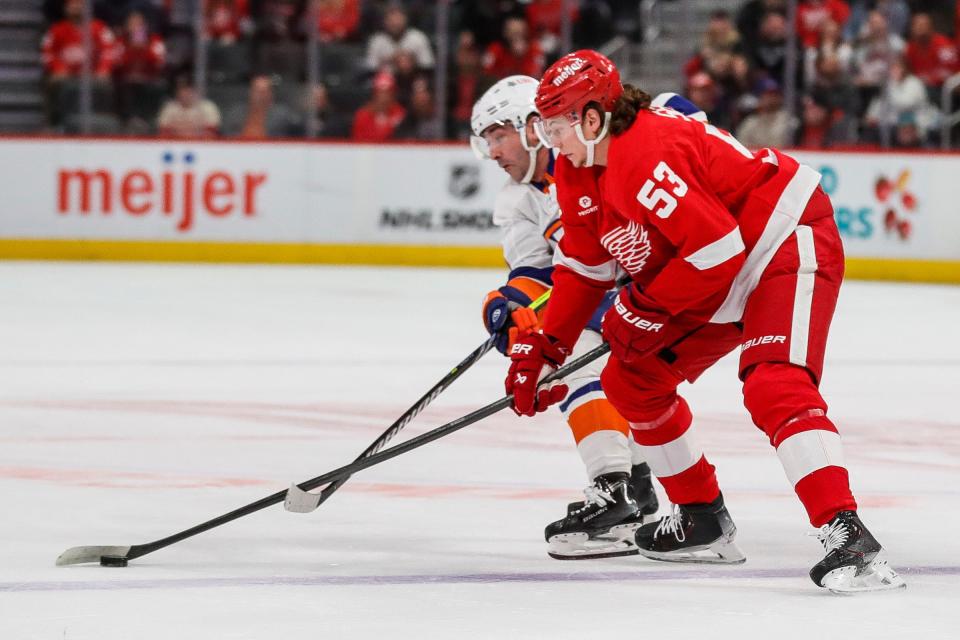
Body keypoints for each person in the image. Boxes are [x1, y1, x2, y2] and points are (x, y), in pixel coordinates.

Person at [508, 49, 905, 592]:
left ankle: (847, 535)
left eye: (557, 125)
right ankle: (702, 520)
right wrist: (548, 348)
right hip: (711, 263)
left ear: (594, 118)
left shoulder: (643, 153)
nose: (550, 139)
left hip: (780, 241)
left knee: (773, 381)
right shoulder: (577, 171)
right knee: (631, 380)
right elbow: (582, 267)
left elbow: (718, 250)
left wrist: (641, 308)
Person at [470, 75, 663, 559]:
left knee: (571, 349)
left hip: (670, 282)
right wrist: (509, 309)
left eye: (498, 135)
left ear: (532, 126)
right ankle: (633, 490)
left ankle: (613, 493)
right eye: (486, 140)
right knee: (577, 355)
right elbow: (536, 273)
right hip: (621, 293)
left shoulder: (586, 154)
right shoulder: (519, 201)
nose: (493, 151)